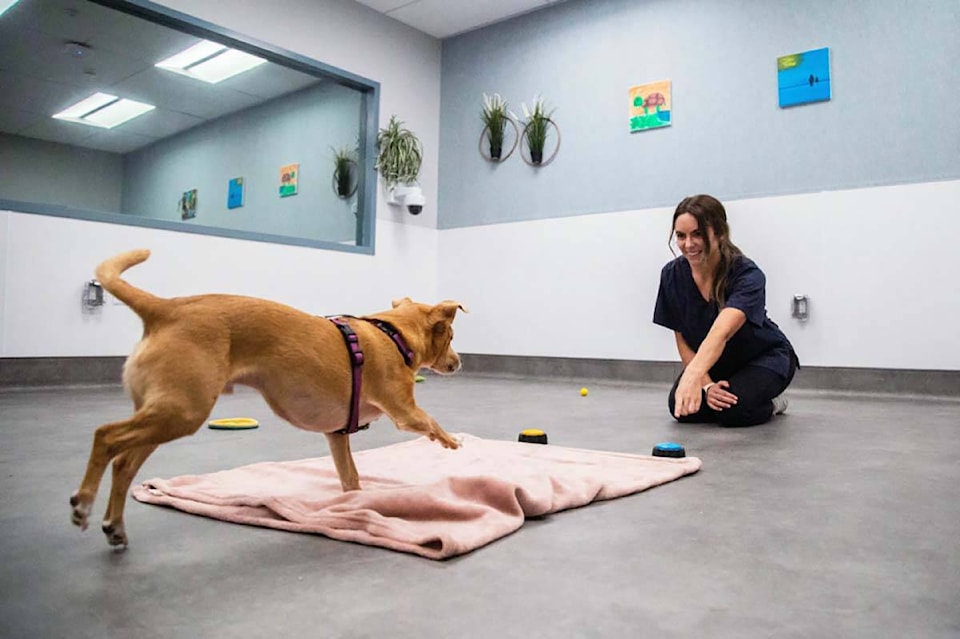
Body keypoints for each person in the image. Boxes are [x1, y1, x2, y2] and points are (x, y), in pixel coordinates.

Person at [653, 194, 798, 426]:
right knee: (682, 409)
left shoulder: (747, 275)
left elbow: (722, 330)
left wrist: (692, 377)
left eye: (697, 234)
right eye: (681, 236)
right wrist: (707, 384)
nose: (688, 244)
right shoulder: (671, 275)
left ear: (719, 233)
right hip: (717, 362)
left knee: (733, 411)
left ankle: (774, 403)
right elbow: (683, 340)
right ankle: (732, 392)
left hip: (763, 358)